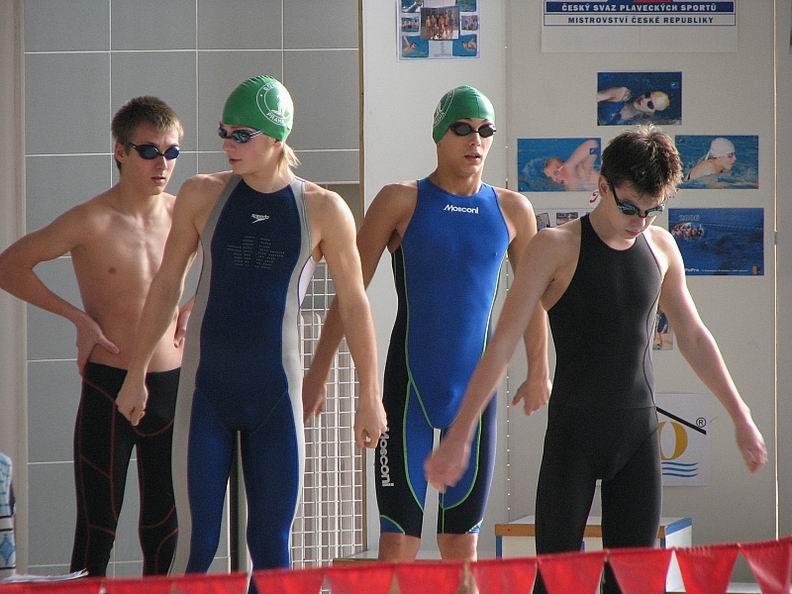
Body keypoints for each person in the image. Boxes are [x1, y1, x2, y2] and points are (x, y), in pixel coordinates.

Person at [425, 126, 767, 594]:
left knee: (635, 585)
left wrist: (740, 415)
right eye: (629, 208)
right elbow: (502, 342)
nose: (639, 222)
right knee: (558, 584)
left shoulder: (661, 248)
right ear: (603, 186)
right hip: (573, 442)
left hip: (637, 438)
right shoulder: (554, 247)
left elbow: (692, 335)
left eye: (651, 211)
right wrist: (461, 434)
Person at [115, 75, 387, 575]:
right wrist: (136, 373)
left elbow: (354, 305)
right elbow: (167, 286)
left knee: (271, 548)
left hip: (275, 399)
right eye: (224, 132)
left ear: (277, 136)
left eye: (241, 135)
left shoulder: (323, 209)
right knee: (196, 546)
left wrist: (370, 395)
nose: (228, 144)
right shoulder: (202, 195)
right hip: (206, 396)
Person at [303, 85, 550, 563]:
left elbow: (531, 298)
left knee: (461, 545)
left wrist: (539, 368)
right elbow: (350, 295)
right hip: (408, 392)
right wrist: (320, 371)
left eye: (485, 130)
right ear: (439, 135)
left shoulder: (513, 210)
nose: (475, 140)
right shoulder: (401, 200)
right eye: (462, 128)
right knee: (398, 542)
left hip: (474, 398)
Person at [0, 96, 187, 576]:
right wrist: (79, 320)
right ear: (121, 151)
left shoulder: (184, 215)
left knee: (164, 528)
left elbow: (236, 263)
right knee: (97, 528)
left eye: (172, 152)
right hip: (109, 383)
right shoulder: (90, 219)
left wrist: (193, 308)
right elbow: (10, 266)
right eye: (149, 151)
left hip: (171, 387)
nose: (162, 164)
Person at [597, 86, 670, 125]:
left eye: (650, 104)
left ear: (651, 112)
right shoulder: (621, 93)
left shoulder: (639, 123)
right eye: (647, 95)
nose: (644, 100)